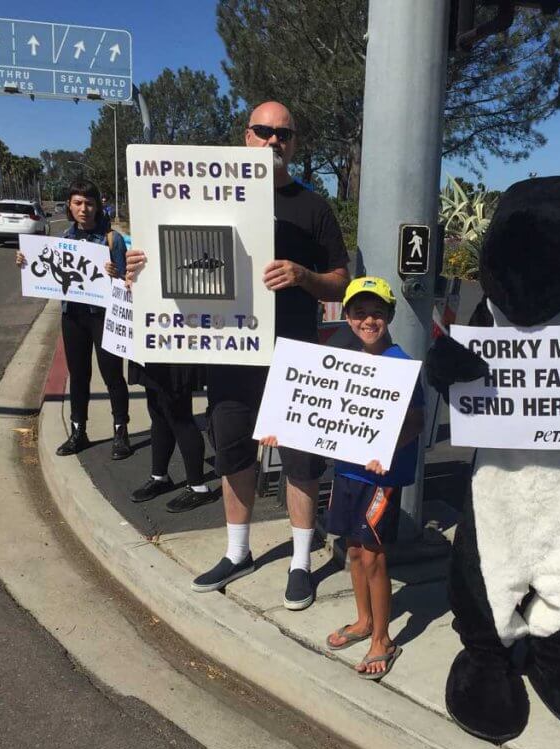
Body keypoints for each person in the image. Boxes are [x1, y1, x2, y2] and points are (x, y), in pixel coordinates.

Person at [126, 101, 349, 609]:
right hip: (230, 353)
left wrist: (304, 276)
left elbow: (341, 278)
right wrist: (139, 266)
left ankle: (299, 561)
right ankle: (238, 551)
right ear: (245, 135)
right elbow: (168, 260)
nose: (274, 142)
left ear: (294, 144)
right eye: (263, 131)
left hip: (293, 355)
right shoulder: (208, 196)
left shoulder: (311, 207)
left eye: (284, 135)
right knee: (232, 453)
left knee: (300, 462)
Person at [273, 277, 423, 679]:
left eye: (376, 313)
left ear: (389, 316)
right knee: (353, 551)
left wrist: (387, 451)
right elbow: (311, 403)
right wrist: (283, 425)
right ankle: (363, 621)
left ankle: (383, 640)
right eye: (359, 313)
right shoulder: (342, 359)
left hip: (380, 479)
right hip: (347, 472)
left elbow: (415, 421)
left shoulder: (401, 363)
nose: (368, 320)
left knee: (373, 556)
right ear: (347, 316)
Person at [17, 179, 132, 460]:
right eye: (78, 203)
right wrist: (26, 262)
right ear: (69, 205)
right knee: (78, 376)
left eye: (89, 203)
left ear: (98, 206)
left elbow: (127, 281)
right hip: (73, 316)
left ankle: (121, 431)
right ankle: (78, 431)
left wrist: (114, 271)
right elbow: (46, 269)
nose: (84, 209)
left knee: (112, 375)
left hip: (103, 317)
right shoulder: (64, 241)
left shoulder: (112, 239)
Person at [128, 363, 214, 513]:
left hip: (173, 354)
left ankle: (198, 487)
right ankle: (160, 477)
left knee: (178, 414)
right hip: (151, 352)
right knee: (157, 411)